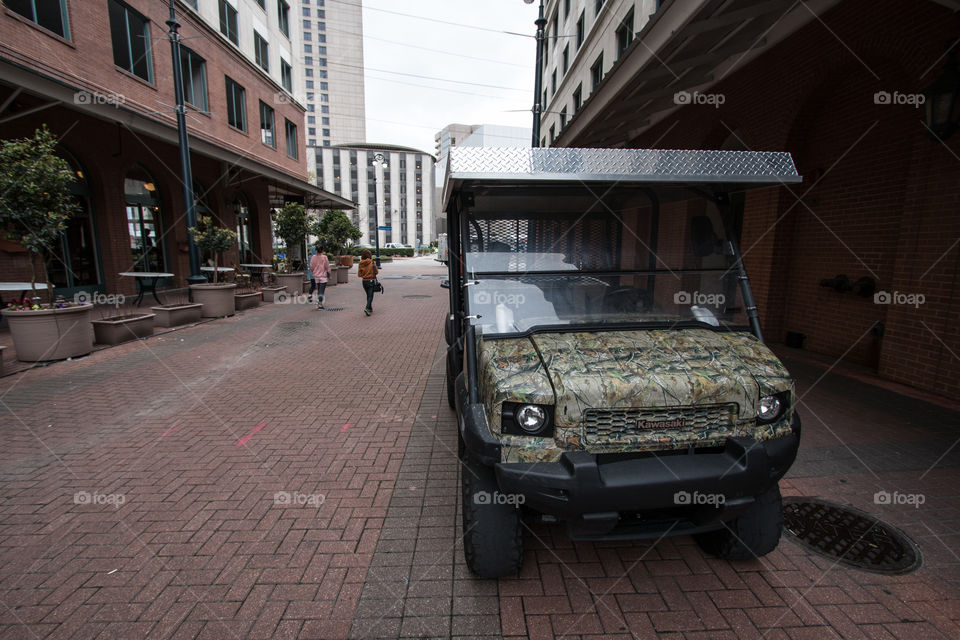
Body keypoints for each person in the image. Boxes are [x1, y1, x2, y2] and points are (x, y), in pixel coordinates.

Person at [308, 244, 331, 309]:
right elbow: (327, 267)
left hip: (316, 276)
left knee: (319, 289)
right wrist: (329, 274)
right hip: (323, 276)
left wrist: (314, 272)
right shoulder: (324, 257)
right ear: (322, 250)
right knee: (321, 290)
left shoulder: (313, 257)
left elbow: (311, 266)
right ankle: (320, 304)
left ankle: (319, 302)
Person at [357, 249, 378, 316]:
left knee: (368, 295)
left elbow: (359, 275)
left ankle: (370, 308)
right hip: (371, 281)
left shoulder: (360, 263)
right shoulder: (372, 262)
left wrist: (364, 274)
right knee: (370, 296)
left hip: (364, 281)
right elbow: (376, 272)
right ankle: (367, 308)